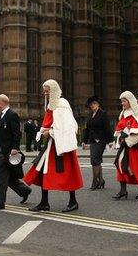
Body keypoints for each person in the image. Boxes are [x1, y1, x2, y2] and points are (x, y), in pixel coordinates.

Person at [24, 79, 83, 212]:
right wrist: (44, 131)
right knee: (43, 172)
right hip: (52, 144)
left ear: (54, 90)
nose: (45, 94)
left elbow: (66, 126)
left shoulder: (62, 104)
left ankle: (73, 201)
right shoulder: (52, 104)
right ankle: (44, 202)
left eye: (47, 91)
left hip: (62, 145)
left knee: (68, 173)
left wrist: (48, 132)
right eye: (44, 91)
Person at [0, 94, 32, 212]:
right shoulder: (2, 116)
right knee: (9, 178)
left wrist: (15, 148)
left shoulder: (12, 115)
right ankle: (24, 191)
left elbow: (17, 133)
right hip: (1, 151)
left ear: (1, 103)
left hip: (7, 152)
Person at [113, 91, 138, 200]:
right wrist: (121, 138)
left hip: (135, 148)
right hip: (125, 147)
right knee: (120, 166)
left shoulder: (137, 115)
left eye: (124, 101)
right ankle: (123, 190)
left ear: (130, 101)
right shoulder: (123, 115)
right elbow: (120, 130)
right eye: (121, 101)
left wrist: (126, 140)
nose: (122, 103)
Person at [82, 96, 113, 190]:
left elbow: (107, 128)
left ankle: (95, 181)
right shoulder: (90, 114)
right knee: (96, 160)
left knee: (95, 160)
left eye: (94, 104)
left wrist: (110, 141)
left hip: (101, 140)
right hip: (92, 140)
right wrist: (84, 141)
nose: (92, 106)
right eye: (91, 105)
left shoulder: (103, 114)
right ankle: (101, 180)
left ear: (98, 104)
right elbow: (87, 129)